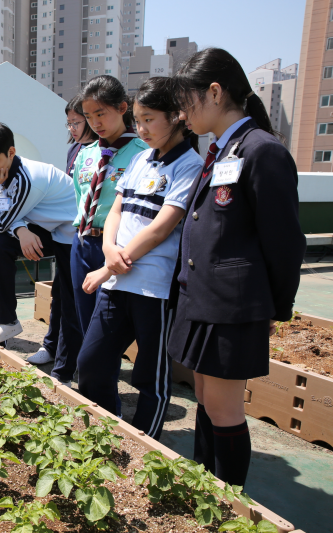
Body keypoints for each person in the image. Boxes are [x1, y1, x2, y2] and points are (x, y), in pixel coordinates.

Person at [168, 48, 305, 485]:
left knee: (224, 408)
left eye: (186, 102)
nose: (181, 114)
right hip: (204, 299)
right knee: (206, 397)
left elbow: (285, 242)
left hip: (232, 305)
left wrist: (273, 309)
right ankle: (205, 486)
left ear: (214, 91)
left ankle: (229, 503)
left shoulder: (262, 151)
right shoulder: (223, 150)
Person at [75, 77, 203, 439]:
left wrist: (110, 265)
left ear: (177, 116)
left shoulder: (189, 166)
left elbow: (161, 229)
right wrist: (108, 250)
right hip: (117, 278)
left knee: (152, 377)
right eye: (139, 119)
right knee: (92, 364)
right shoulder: (142, 159)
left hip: (154, 287)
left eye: (150, 119)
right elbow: (115, 208)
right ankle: (106, 434)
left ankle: (145, 447)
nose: (142, 128)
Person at [0, 125, 81, 379]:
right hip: (46, 228)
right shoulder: (5, 173)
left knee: (66, 297)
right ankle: (8, 321)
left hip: (70, 234)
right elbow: (4, 216)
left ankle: (63, 365)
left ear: (11, 152)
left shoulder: (27, 178)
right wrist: (21, 229)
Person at [71, 76, 149, 337]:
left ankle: (103, 374)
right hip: (82, 243)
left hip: (116, 246)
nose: (95, 122)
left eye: (101, 113)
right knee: (84, 317)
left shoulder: (143, 153)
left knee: (106, 326)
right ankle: (91, 376)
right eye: (88, 116)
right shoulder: (86, 153)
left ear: (123, 108)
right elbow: (79, 197)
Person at [29, 95, 99, 367]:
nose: (72, 129)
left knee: (75, 301)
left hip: (88, 236)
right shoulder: (74, 151)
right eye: (68, 123)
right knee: (61, 295)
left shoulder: (103, 150)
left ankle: (71, 360)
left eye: (77, 122)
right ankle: (53, 348)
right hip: (66, 232)